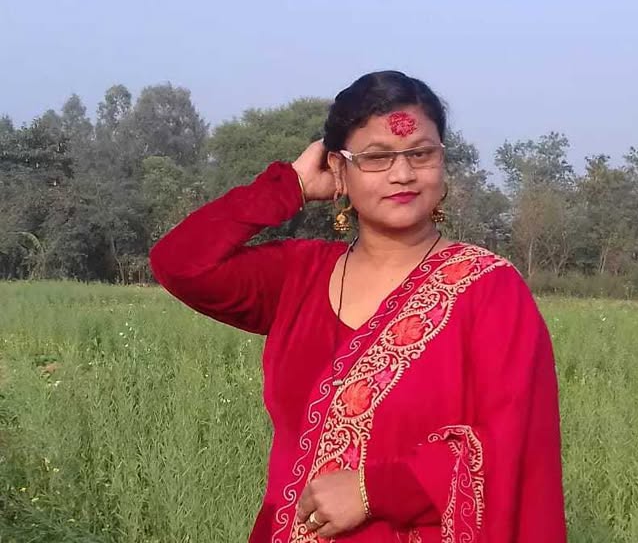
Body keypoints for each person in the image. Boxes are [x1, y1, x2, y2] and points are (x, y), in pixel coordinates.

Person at [149, 71, 566, 542]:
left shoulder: (488, 290)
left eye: (421, 154)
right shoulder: (299, 277)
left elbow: (516, 443)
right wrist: (289, 187)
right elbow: (179, 263)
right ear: (339, 169)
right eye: (376, 157)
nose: (403, 174)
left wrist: (375, 490)